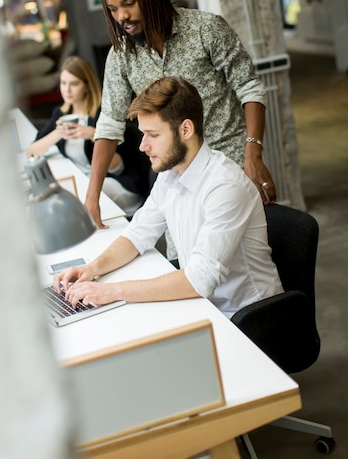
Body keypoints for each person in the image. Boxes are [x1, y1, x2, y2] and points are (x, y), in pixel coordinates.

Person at [54, 77, 283, 319]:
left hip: (249, 317)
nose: (142, 146)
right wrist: (90, 270)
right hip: (204, 307)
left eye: (153, 134)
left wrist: (111, 291)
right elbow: (137, 235)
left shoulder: (225, 186)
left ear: (186, 129)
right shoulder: (170, 175)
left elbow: (199, 280)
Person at [85, 0, 276, 231]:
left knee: (243, 261)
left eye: (128, 4)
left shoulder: (206, 29)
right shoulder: (121, 57)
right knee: (185, 260)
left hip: (231, 167)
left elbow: (250, 88)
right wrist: (93, 197)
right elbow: (110, 124)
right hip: (177, 182)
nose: (121, 16)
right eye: (113, 9)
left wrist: (253, 154)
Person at [27, 55, 143, 216]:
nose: (66, 90)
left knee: (71, 203)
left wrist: (93, 135)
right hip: (84, 181)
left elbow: (118, 168)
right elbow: (32, 153)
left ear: (87, 86)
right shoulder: (61, 114)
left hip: (115, 183)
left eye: (74, 84)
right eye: (63, 83)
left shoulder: (103, 116)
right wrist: (57, 133)